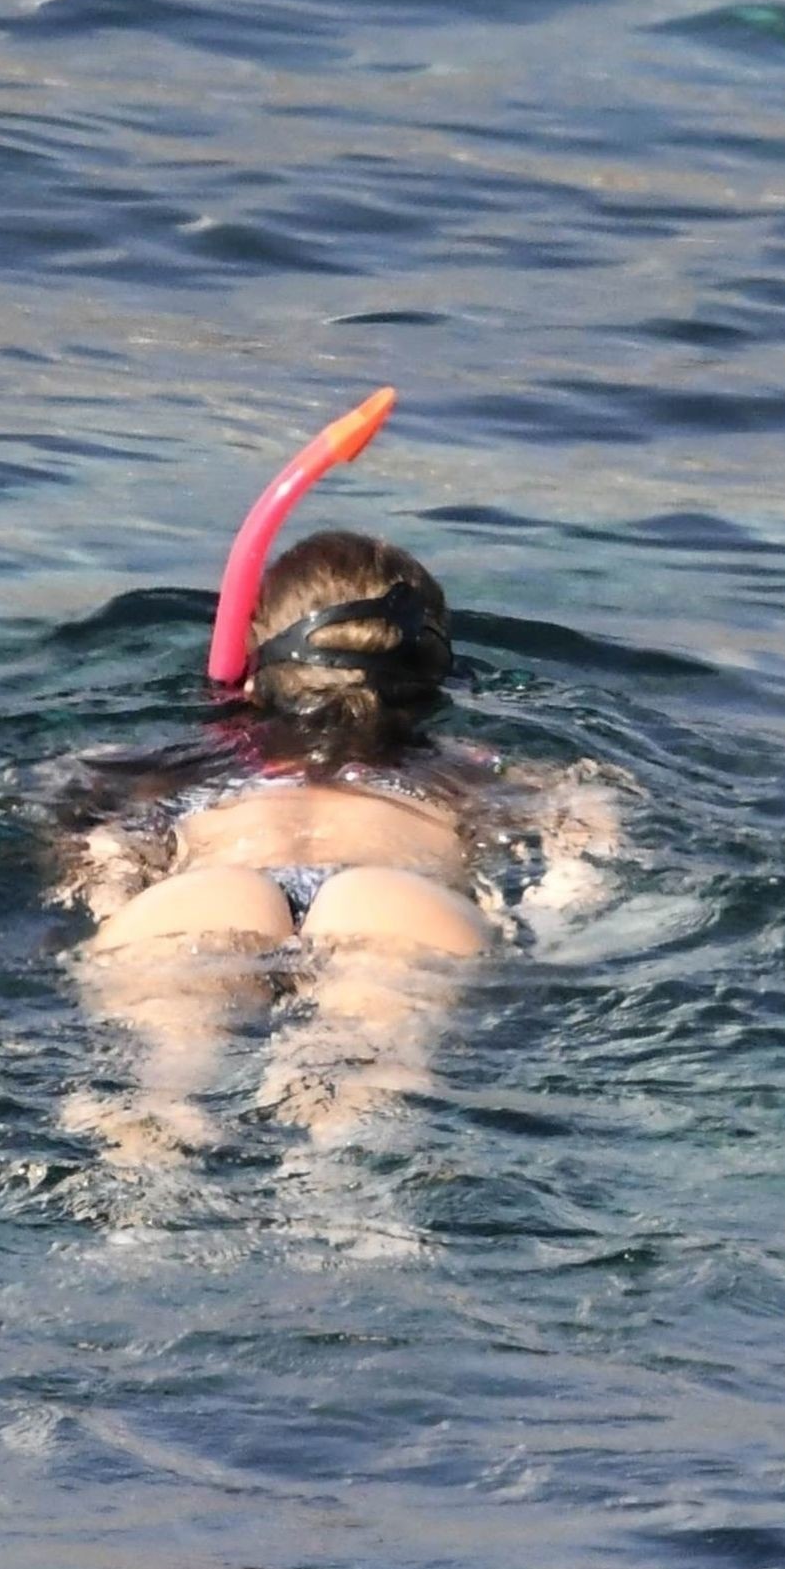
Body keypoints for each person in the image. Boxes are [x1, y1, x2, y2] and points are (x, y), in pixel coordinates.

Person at [48, 392, 622, 1160]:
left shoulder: (150, 769)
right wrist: (537, 921)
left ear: (255, 657)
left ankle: (147, 1168)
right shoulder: (474, 775)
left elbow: (98, 852)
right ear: (436, 673)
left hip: (206, 895)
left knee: (160, 1089)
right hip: (394, 901)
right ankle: (342, 1197)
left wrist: (114, 894)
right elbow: (584, 839)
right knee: (358, 1100)